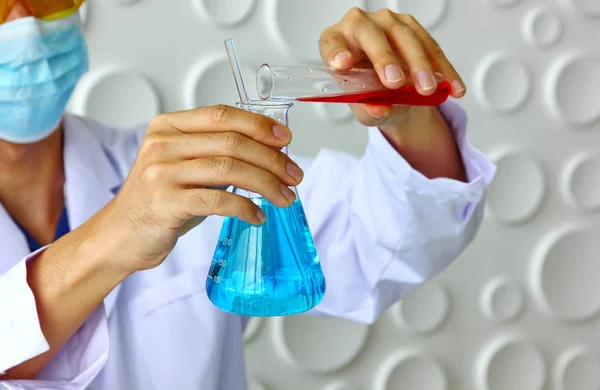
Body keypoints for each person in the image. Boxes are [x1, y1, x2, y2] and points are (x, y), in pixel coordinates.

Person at [0, 1, 496, 389]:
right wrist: (112, 236)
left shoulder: (171, 171)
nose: (25, 24)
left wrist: (405, 115)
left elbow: (380, 245)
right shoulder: (148, 193)